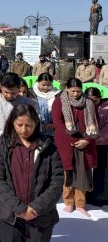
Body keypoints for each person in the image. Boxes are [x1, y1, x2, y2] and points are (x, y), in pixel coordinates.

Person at [0, 73, 40, 241]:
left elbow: (35, 130)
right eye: (6, 92)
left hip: (24, 156)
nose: (10, 96)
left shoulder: (30, 104)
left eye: (13, 93)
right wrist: (1, 149)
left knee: (24, 195)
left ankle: (23, 232)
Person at [0, 104, 64, 242]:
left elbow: (57, 182)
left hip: (41, 216)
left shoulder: (48, 147)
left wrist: (36, 207)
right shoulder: (1, 146)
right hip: (9, 215)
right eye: (19, 125)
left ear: (36, 123)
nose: (24, 129)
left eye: (28, 125)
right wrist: (19, 208)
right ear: (12, 122)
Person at [51, 78, 99, 218]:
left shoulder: (89, 102)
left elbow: (95, 123)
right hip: (66, 141)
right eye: (73, 91)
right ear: (66, 88)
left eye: (78, 91)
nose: (76, 94)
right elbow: (58, 123)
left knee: (83, 172)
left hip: (85, 142)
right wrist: (73, 139)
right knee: (68, 171)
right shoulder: (59, 101)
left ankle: (80, 203)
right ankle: (69, 202)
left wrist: (87, 140)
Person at [89, 87, 108, 206]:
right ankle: (92, 194)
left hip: (104, 144)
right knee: (92, 171)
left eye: (95, 100)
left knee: (103, 171)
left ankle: (103, 197)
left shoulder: (106, 108)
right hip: (90, 144)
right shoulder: (85, 107)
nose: (92, 103)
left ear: (99, 98)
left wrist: (99, 136)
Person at [32, 73, 59, 140]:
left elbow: (59, 111)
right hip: (37, 128)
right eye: (43, 85)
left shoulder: (56, 94)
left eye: (49, 85)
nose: (46, 87)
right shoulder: (32, 93)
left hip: (53, 127)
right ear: (38, 82)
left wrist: (54, 124)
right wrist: (40, 125)